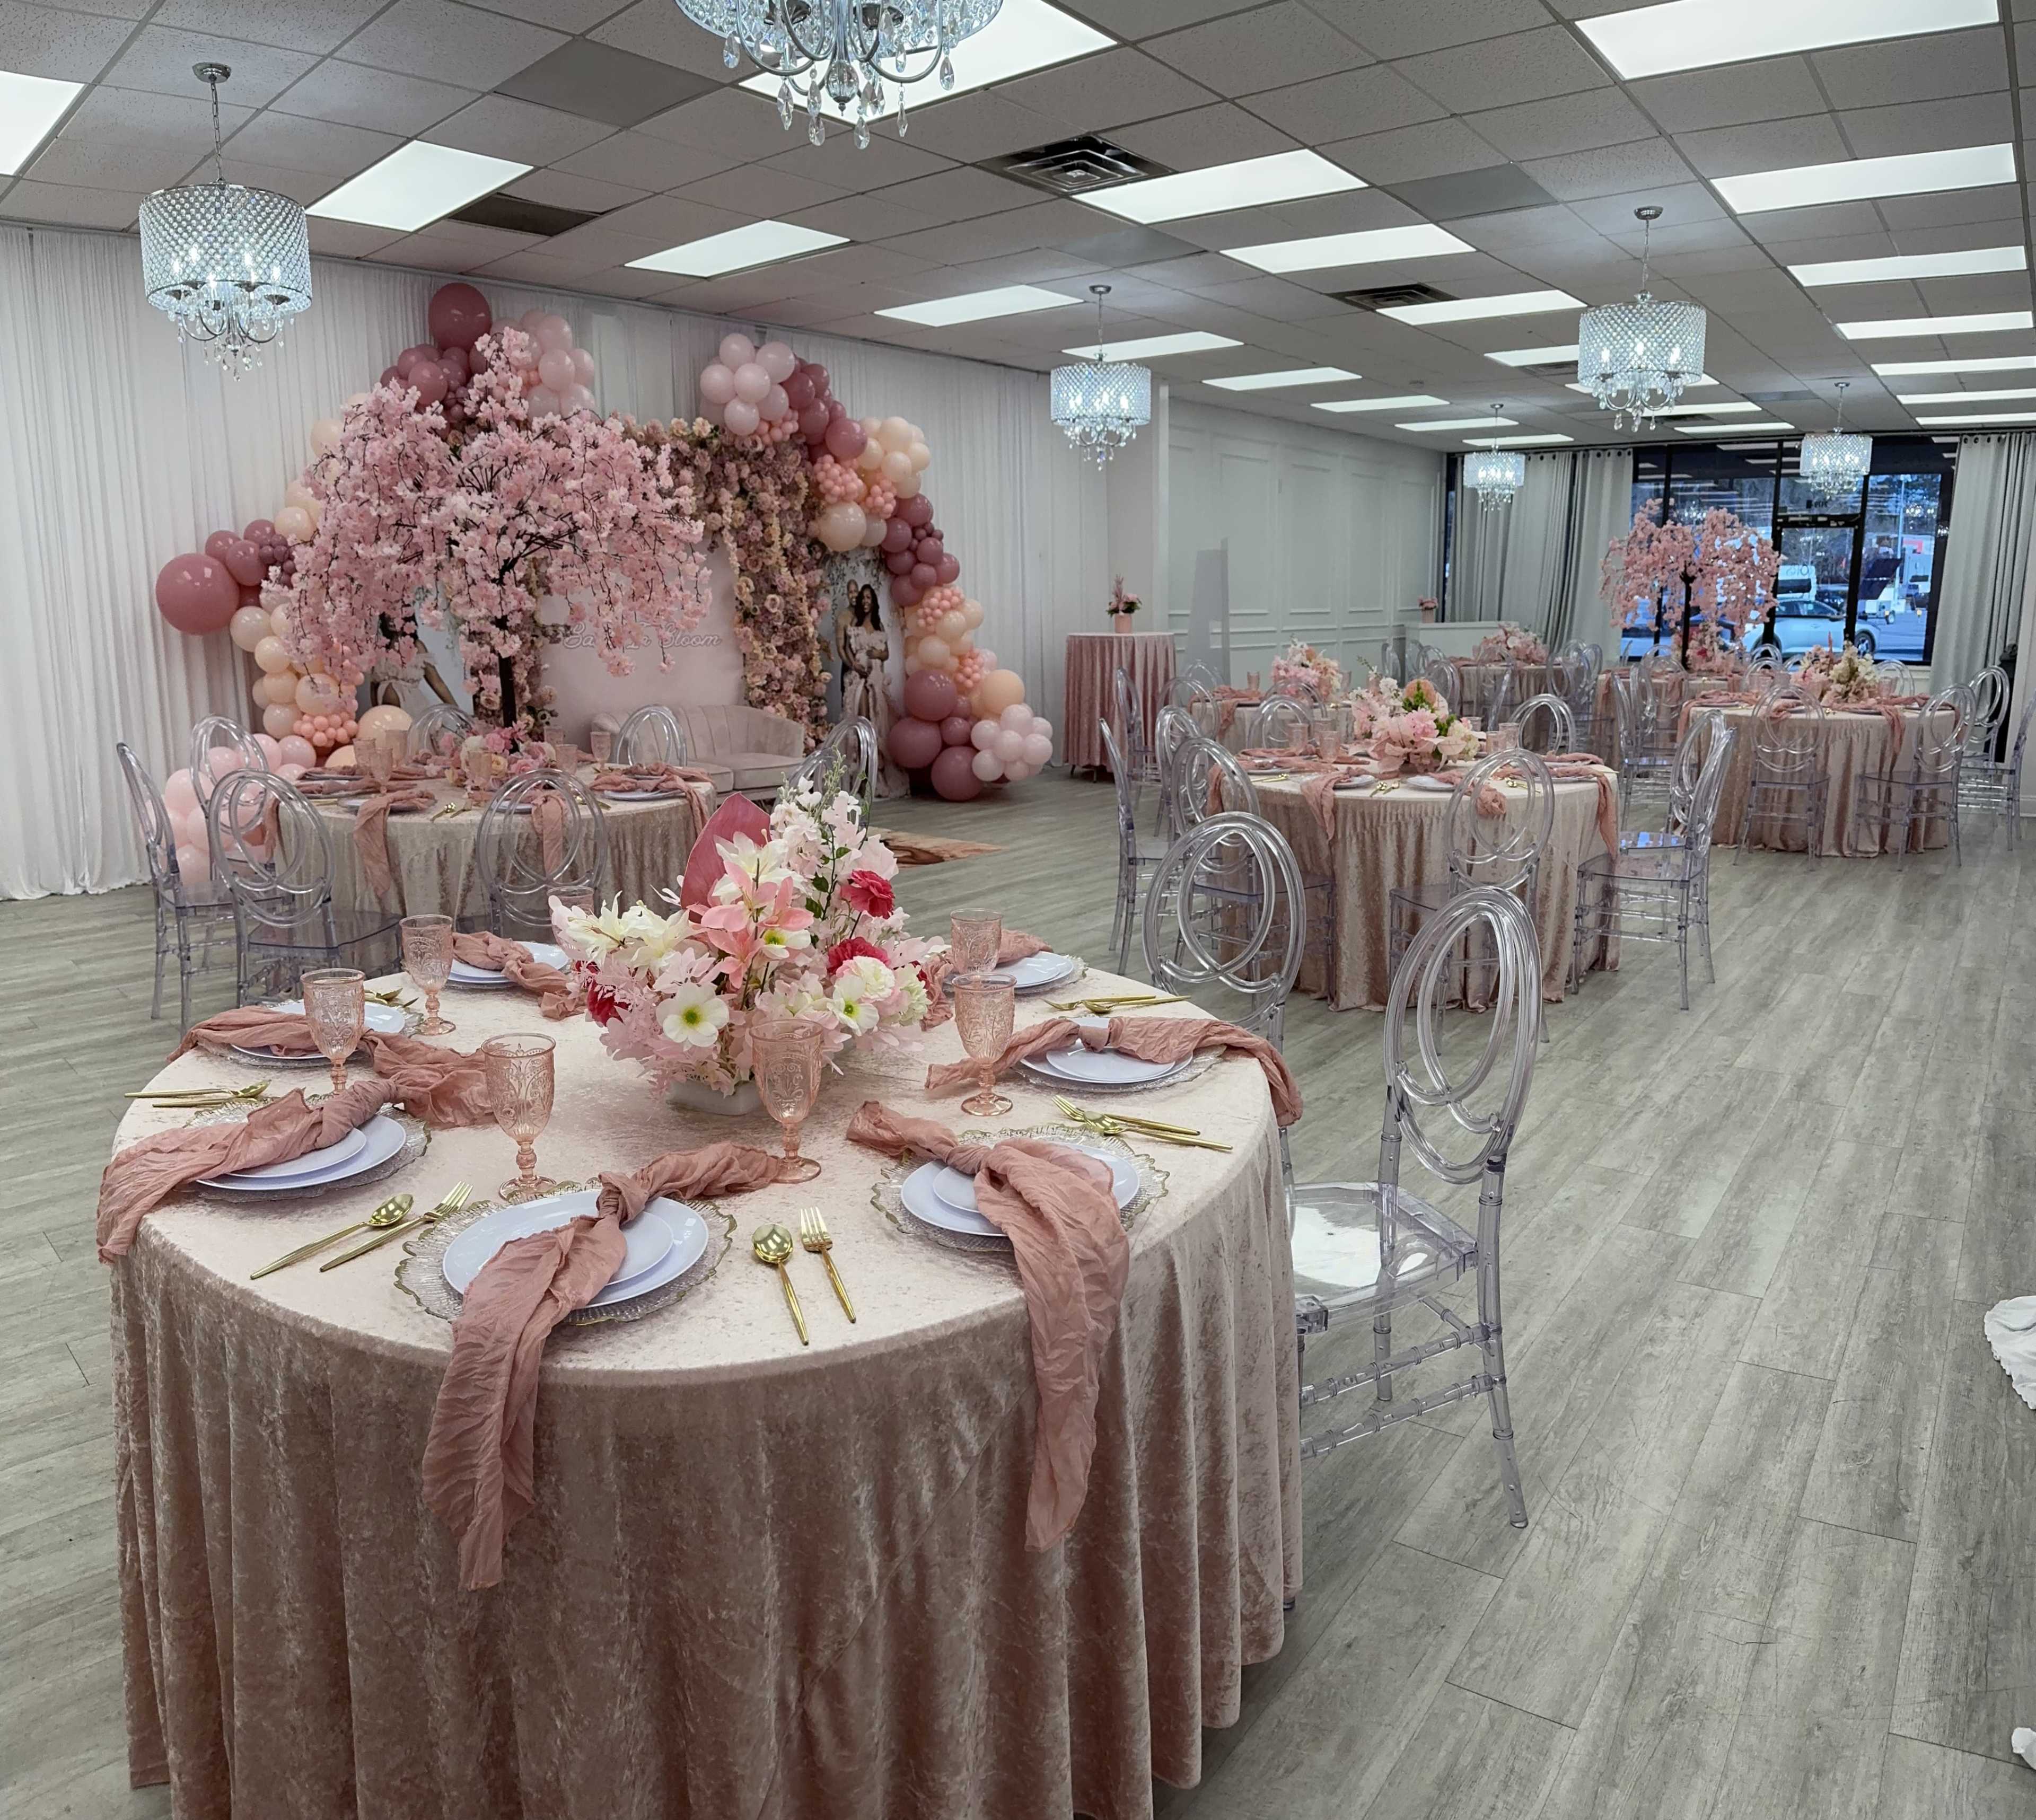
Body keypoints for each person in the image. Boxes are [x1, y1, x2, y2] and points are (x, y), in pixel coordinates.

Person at [836, 584, 903, 797]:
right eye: (862, 597)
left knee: (876, 723)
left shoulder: (879, 625)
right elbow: (845, 647)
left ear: (873, 601)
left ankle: (873, 774)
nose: (865, 601)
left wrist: (876, 653)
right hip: (859, 677)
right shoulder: (853, 622)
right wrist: (853, 664)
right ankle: (859, 774)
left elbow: (886, 654)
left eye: (868, 598)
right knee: (861, 720)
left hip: (875, 676)